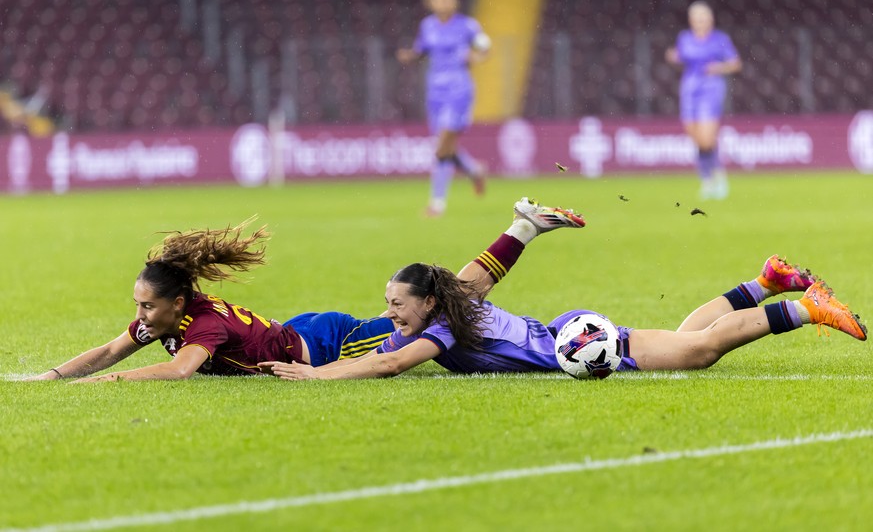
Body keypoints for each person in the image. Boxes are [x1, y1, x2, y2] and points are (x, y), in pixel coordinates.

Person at [23, 200, 585, 382]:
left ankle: (521, 230)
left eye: (147, 305)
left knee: (447, 306)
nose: (140, 315)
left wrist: (109, 383)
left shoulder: (202, 325)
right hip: (300, 330)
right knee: (447, 301)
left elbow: (177, 371)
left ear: (176, 303)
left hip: (326, 344)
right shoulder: (166, 318)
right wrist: (53, 377)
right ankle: (522, 229)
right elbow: (110, 348)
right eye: (138, 306)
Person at [260, 253, 866, 380]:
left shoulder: (440, 329)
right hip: (564, 332)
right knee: (687, 340)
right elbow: (381, 352)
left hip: (571, 344)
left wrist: (316, 375)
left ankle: (804, 307)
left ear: (427, 304)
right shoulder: (451, 307)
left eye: (397, 304)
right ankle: (764, 282)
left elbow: (390, 364)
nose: (388, 313)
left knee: (697, 352)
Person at [396, 0, 491, 217]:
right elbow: (421, 51)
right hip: (435, 92)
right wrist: (410, 56)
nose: (444, 2)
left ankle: (437, 204)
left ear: (455, 2)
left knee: (443, 145)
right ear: (431, 3)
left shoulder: (467, 25)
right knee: (446, 146)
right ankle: (474, 170)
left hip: (459, 89)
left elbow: (485, 49)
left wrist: (475, 57)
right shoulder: (427, 26)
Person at [665, 1, 742, 201]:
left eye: (703, 18)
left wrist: (719, 68)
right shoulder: (684, 38)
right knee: (695, 136)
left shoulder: (720, 39)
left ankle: (717, 176)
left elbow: (735, 64)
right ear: (691, 21)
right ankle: (707, 180)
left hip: (711, 89)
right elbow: (680, 57)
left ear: (710, 20)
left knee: (707, 138)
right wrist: (673, 56)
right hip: (690, 89)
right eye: (696, 19)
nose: (700, 22)